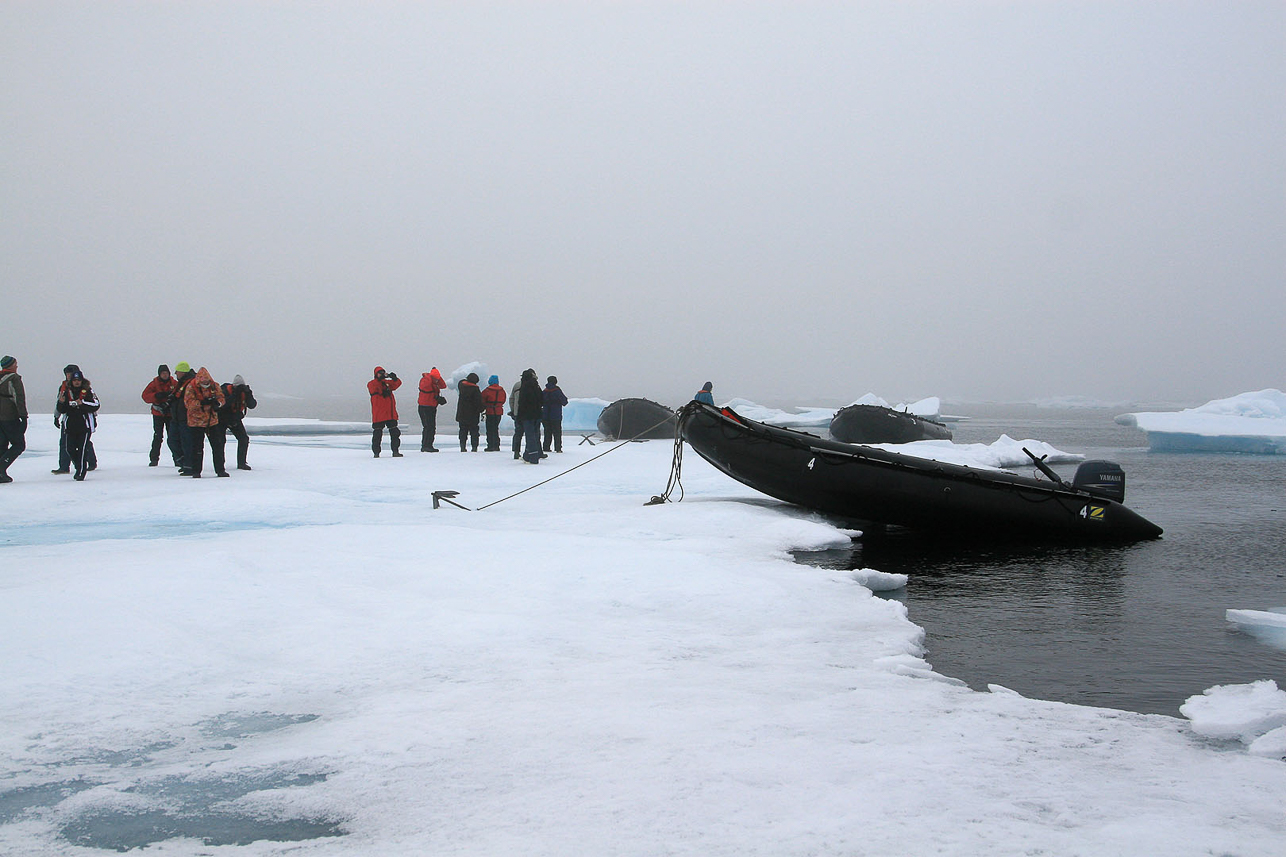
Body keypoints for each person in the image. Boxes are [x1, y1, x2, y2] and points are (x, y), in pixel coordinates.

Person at [53, 364, 96, 474]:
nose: (69, 375)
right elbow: (60, 402)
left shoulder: (86, 389)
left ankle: (90, 462)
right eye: (67, 373)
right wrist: (56, 416)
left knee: (84, 443)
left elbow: (93, 403)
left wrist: (93, 418)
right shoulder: (64, 388)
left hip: (83, 420)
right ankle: (64, 466)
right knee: (66, 443)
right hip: (69, 420)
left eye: (70, 373)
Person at [183, 367, 227, 477]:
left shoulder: (215, 386)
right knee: (197, 448)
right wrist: (202, 403)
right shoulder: (191, 387)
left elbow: (222, 398)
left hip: (211, 421)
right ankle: (196, 471)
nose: (205, 383)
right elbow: (188, 404)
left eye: (207, 381)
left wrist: (218, 404)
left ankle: (220, 470)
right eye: (203, 381)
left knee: (218, 446)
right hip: (196, 422)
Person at [141, 365, 180, 467]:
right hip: (158, 414)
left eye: (166, 373)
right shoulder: (154, 384)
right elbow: (145, 396)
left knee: (172, 437)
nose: (165, 375)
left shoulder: (174, 384)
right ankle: (154, 459)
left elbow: (180, 395)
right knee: (158, 436)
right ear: (159, 374)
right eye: (163, 373)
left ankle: (177, 459)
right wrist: (156, 396)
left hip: (170, 414)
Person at [218, 375, 257, 471]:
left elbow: (252, 405)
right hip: (221, 419)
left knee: (244, 439)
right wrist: (234, 395)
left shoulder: (245, 392)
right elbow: (223, 404)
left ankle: (242, 463)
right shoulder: (225, 390)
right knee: (220, 441)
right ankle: (219, 464)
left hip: (235, 418)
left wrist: (248, 394)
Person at [0, 355, 27, 484]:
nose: (17, 366)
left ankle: (1, 473)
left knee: (2, 445)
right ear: (10, 365)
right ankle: (1, 468)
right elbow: (19, 398)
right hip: (10, 416)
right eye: (15, 364)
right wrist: (23, 416)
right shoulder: (14, 379)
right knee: (19, 444)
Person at [170, 362, 198, 474]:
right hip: (177, 418)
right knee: (173, 441)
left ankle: (188, 465)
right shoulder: (181, 383)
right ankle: (184, 463)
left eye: (177, 371)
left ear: (182, 371)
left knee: (187, 442)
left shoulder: (190, 383)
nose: (176, 373)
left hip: (186, 418)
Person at [368, 366, 402, 458]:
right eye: (380, 373)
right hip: (379, 414)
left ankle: (395, 451)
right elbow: (374, 388)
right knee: (377, 435)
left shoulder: (387, 383)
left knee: (395, 433)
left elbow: (398, 384)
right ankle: (376, 453)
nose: (382, 375)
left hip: (390, 414)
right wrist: (383, 388)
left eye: (383, 373)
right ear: (376, 374)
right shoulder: (372, 383)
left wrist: (394, 378)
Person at [516, 368, 545, 464]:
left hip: (527, 416)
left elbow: (522, 403)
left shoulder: (525, 387)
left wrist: (519, 417)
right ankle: (527, 456)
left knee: (530, 436)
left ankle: (533, 457)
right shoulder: (536, 386)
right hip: (537, 415)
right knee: (535, 435)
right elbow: (542, 399)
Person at [417, 367, 447, 452]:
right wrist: (429, 377)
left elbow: (443, 386)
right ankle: (426, 446)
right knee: (428, 427)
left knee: (431, 427)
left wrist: (438, 377)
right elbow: (426, 387)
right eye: (435, 378)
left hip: (431, 407)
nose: (437, 380)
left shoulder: (434, 381)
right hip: (425, 407)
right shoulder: (426, 380)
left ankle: (427, 445)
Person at [455, 372, 484, 452]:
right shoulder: (475, 390)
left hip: (462, 413)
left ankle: (462, 446)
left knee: (463, 430)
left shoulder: (462, 386)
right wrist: (482, 409)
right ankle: (474, 447)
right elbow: (478, 403)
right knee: (474, 431)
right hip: (473, 415)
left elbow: (461, 381)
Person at [541, 375, 569, 453]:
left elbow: (540, 402)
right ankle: (558, 448)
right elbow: (564, 402)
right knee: (557, 433)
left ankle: (546, 447)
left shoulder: (544, 391)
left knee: (547, 432)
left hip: (545, 415)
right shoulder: (557, 391)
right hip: (556, 415)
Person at [481, 375, 507, 452]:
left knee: (490, 429)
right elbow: (504, 399)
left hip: (490, 411)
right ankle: (496, 445)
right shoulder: (502, 390)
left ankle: (491, 445)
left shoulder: (487, 390)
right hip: (498, 411)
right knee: (496, 428)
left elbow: (482, 400)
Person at [509, 376, 524, 459]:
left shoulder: (517, 385)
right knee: (532, 434)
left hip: (517, 413)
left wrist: (513, 410)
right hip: (529, 415)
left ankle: (516, 451)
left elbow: (511, 399)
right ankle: (531, 452)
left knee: (518, 433)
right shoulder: (534, 385)